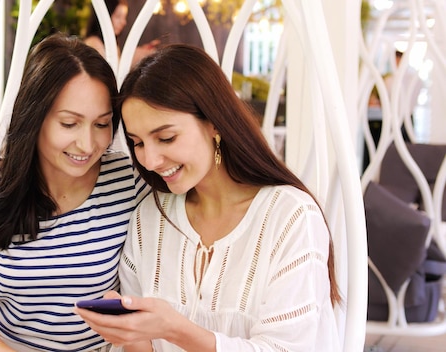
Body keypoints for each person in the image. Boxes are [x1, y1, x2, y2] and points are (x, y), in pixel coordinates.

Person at [75, 44, 342, 351]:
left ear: (214, 122)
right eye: (137, 143)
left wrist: (176, 330)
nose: (149, 160)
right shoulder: (150, 216)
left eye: (166, 137)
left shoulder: (291, 217)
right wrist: (131, 334)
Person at [0, 33, 149, 352]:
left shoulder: (130, 180)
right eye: (69, 123)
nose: (87, 145)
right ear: (35, 117)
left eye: (101, 124)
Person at [84, 0, 159, 67]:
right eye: (118, 17)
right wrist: (133, 57)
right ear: (106, 15)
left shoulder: (113, 44)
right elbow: (109, 73)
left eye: (124, 17)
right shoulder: (93, 43)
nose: (123, 22)